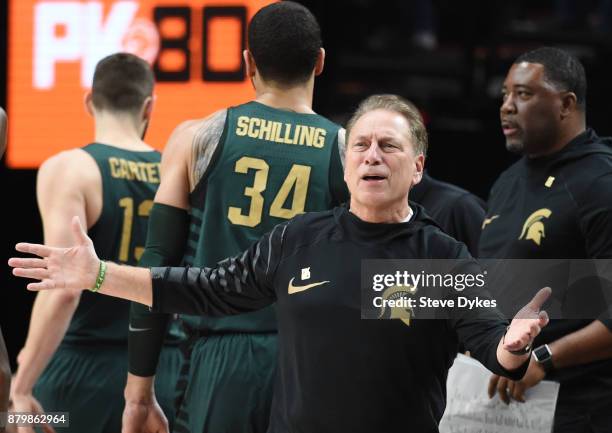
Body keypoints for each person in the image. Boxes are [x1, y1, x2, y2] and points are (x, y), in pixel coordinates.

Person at [10, 94, 552, 433]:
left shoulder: (440, 256)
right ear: (344, 164)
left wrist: (511, 345)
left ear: (417, 167)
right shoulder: (299, 238)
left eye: (389, 146)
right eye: (360, 144)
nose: (371, 155)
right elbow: (205, 289)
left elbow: (493, 350)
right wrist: (98, 274)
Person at [124, 3, 348, 432]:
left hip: (219, 356)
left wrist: (138, 393)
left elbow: (157, 261)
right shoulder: (345, 149)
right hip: (309, 360)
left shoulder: (199, 135)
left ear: (247, 61)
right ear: (320, 62)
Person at [8, 53, 182, 433]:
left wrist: (20, 386)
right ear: (148, 106)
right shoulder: (177, 169)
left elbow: (64, 289)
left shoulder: (70, 168)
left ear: (89, 101)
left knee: (22, 418)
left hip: (79, 373)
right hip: (163, 372)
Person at [479, 47, 612, 432]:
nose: (506, 106)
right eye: (505, 94)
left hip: (579, 408)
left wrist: (543, 357)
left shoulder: (599, 183)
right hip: (498, 404)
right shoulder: (506, 183)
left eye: (523, 94)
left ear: (566, 104)